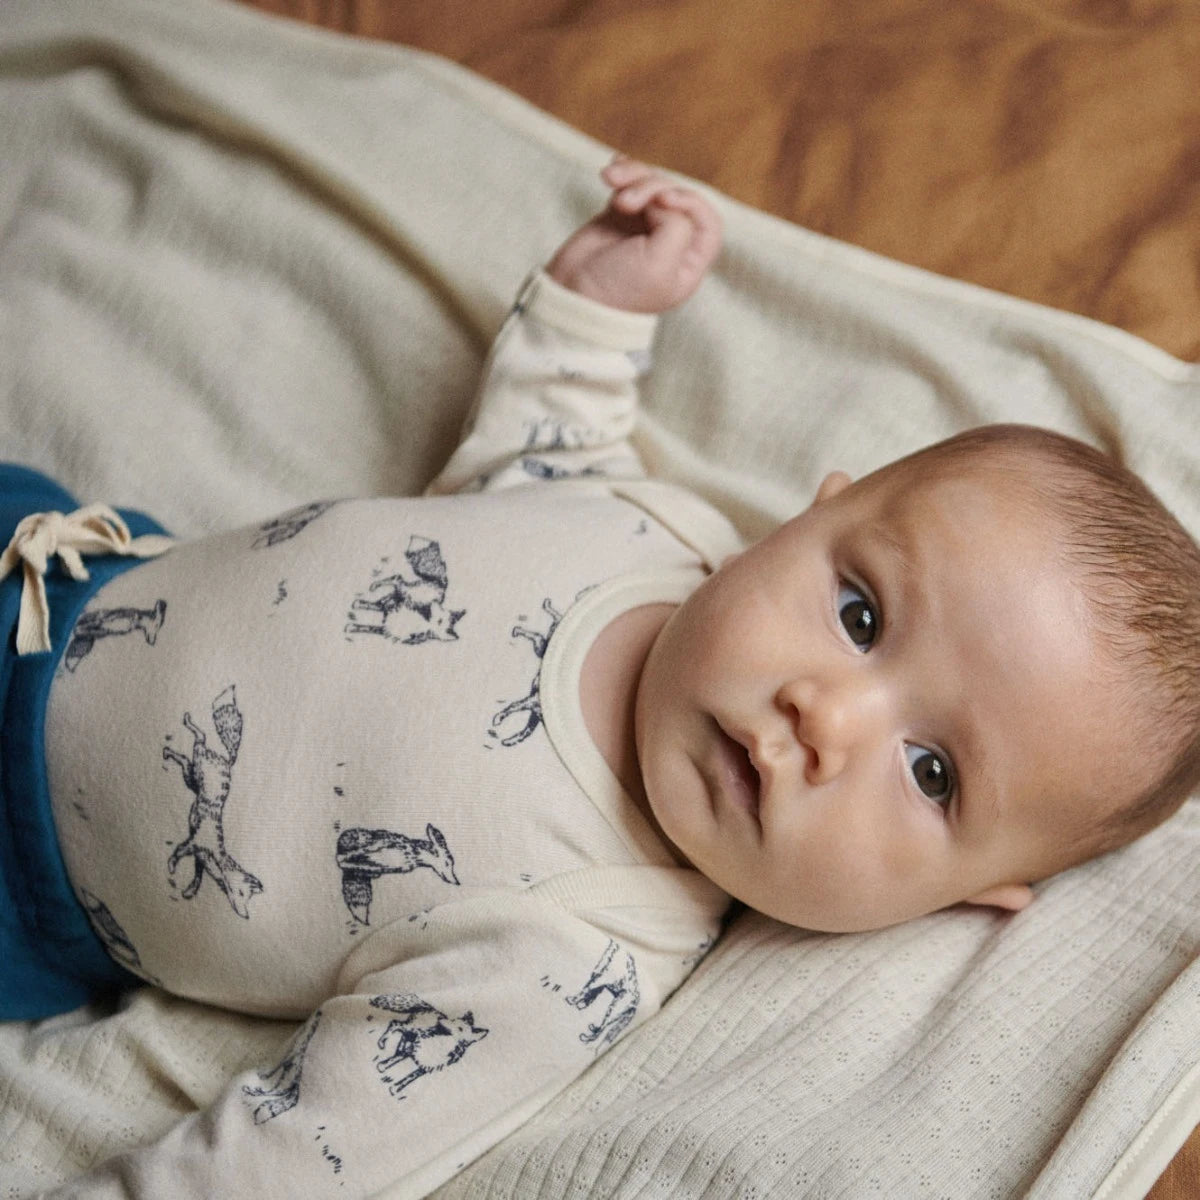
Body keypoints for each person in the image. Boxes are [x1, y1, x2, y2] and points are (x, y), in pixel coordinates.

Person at [2, 157, 1198, 1197]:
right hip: (67, 561)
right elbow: (542, 447)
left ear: (969, 898)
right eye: (859, 611)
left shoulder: (573, 953)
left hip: (27, 853)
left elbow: (304, 1153)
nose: (823, 716)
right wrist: (592, 313)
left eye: (931, 772)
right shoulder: (654, 528)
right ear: (810, 515)